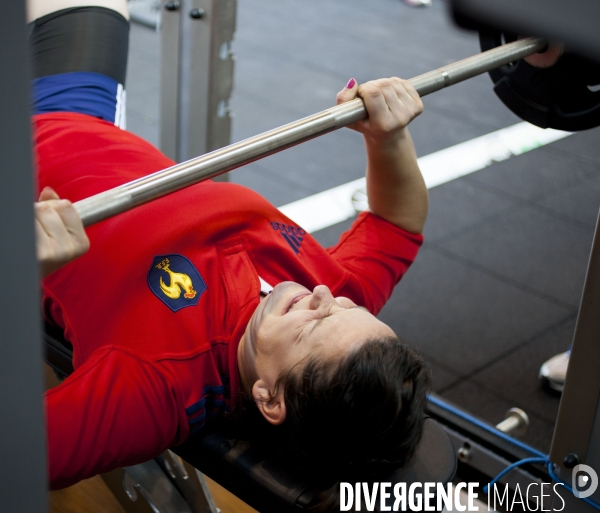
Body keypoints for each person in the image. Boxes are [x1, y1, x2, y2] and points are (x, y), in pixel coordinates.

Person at [30, 1, 431, 509]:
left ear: (270, 398)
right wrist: (389, 137)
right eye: (349, 309)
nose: (326, 293)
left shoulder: (158, 387)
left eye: (312, 324)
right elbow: (399, 226)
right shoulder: (334, 304)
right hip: (72, 109)